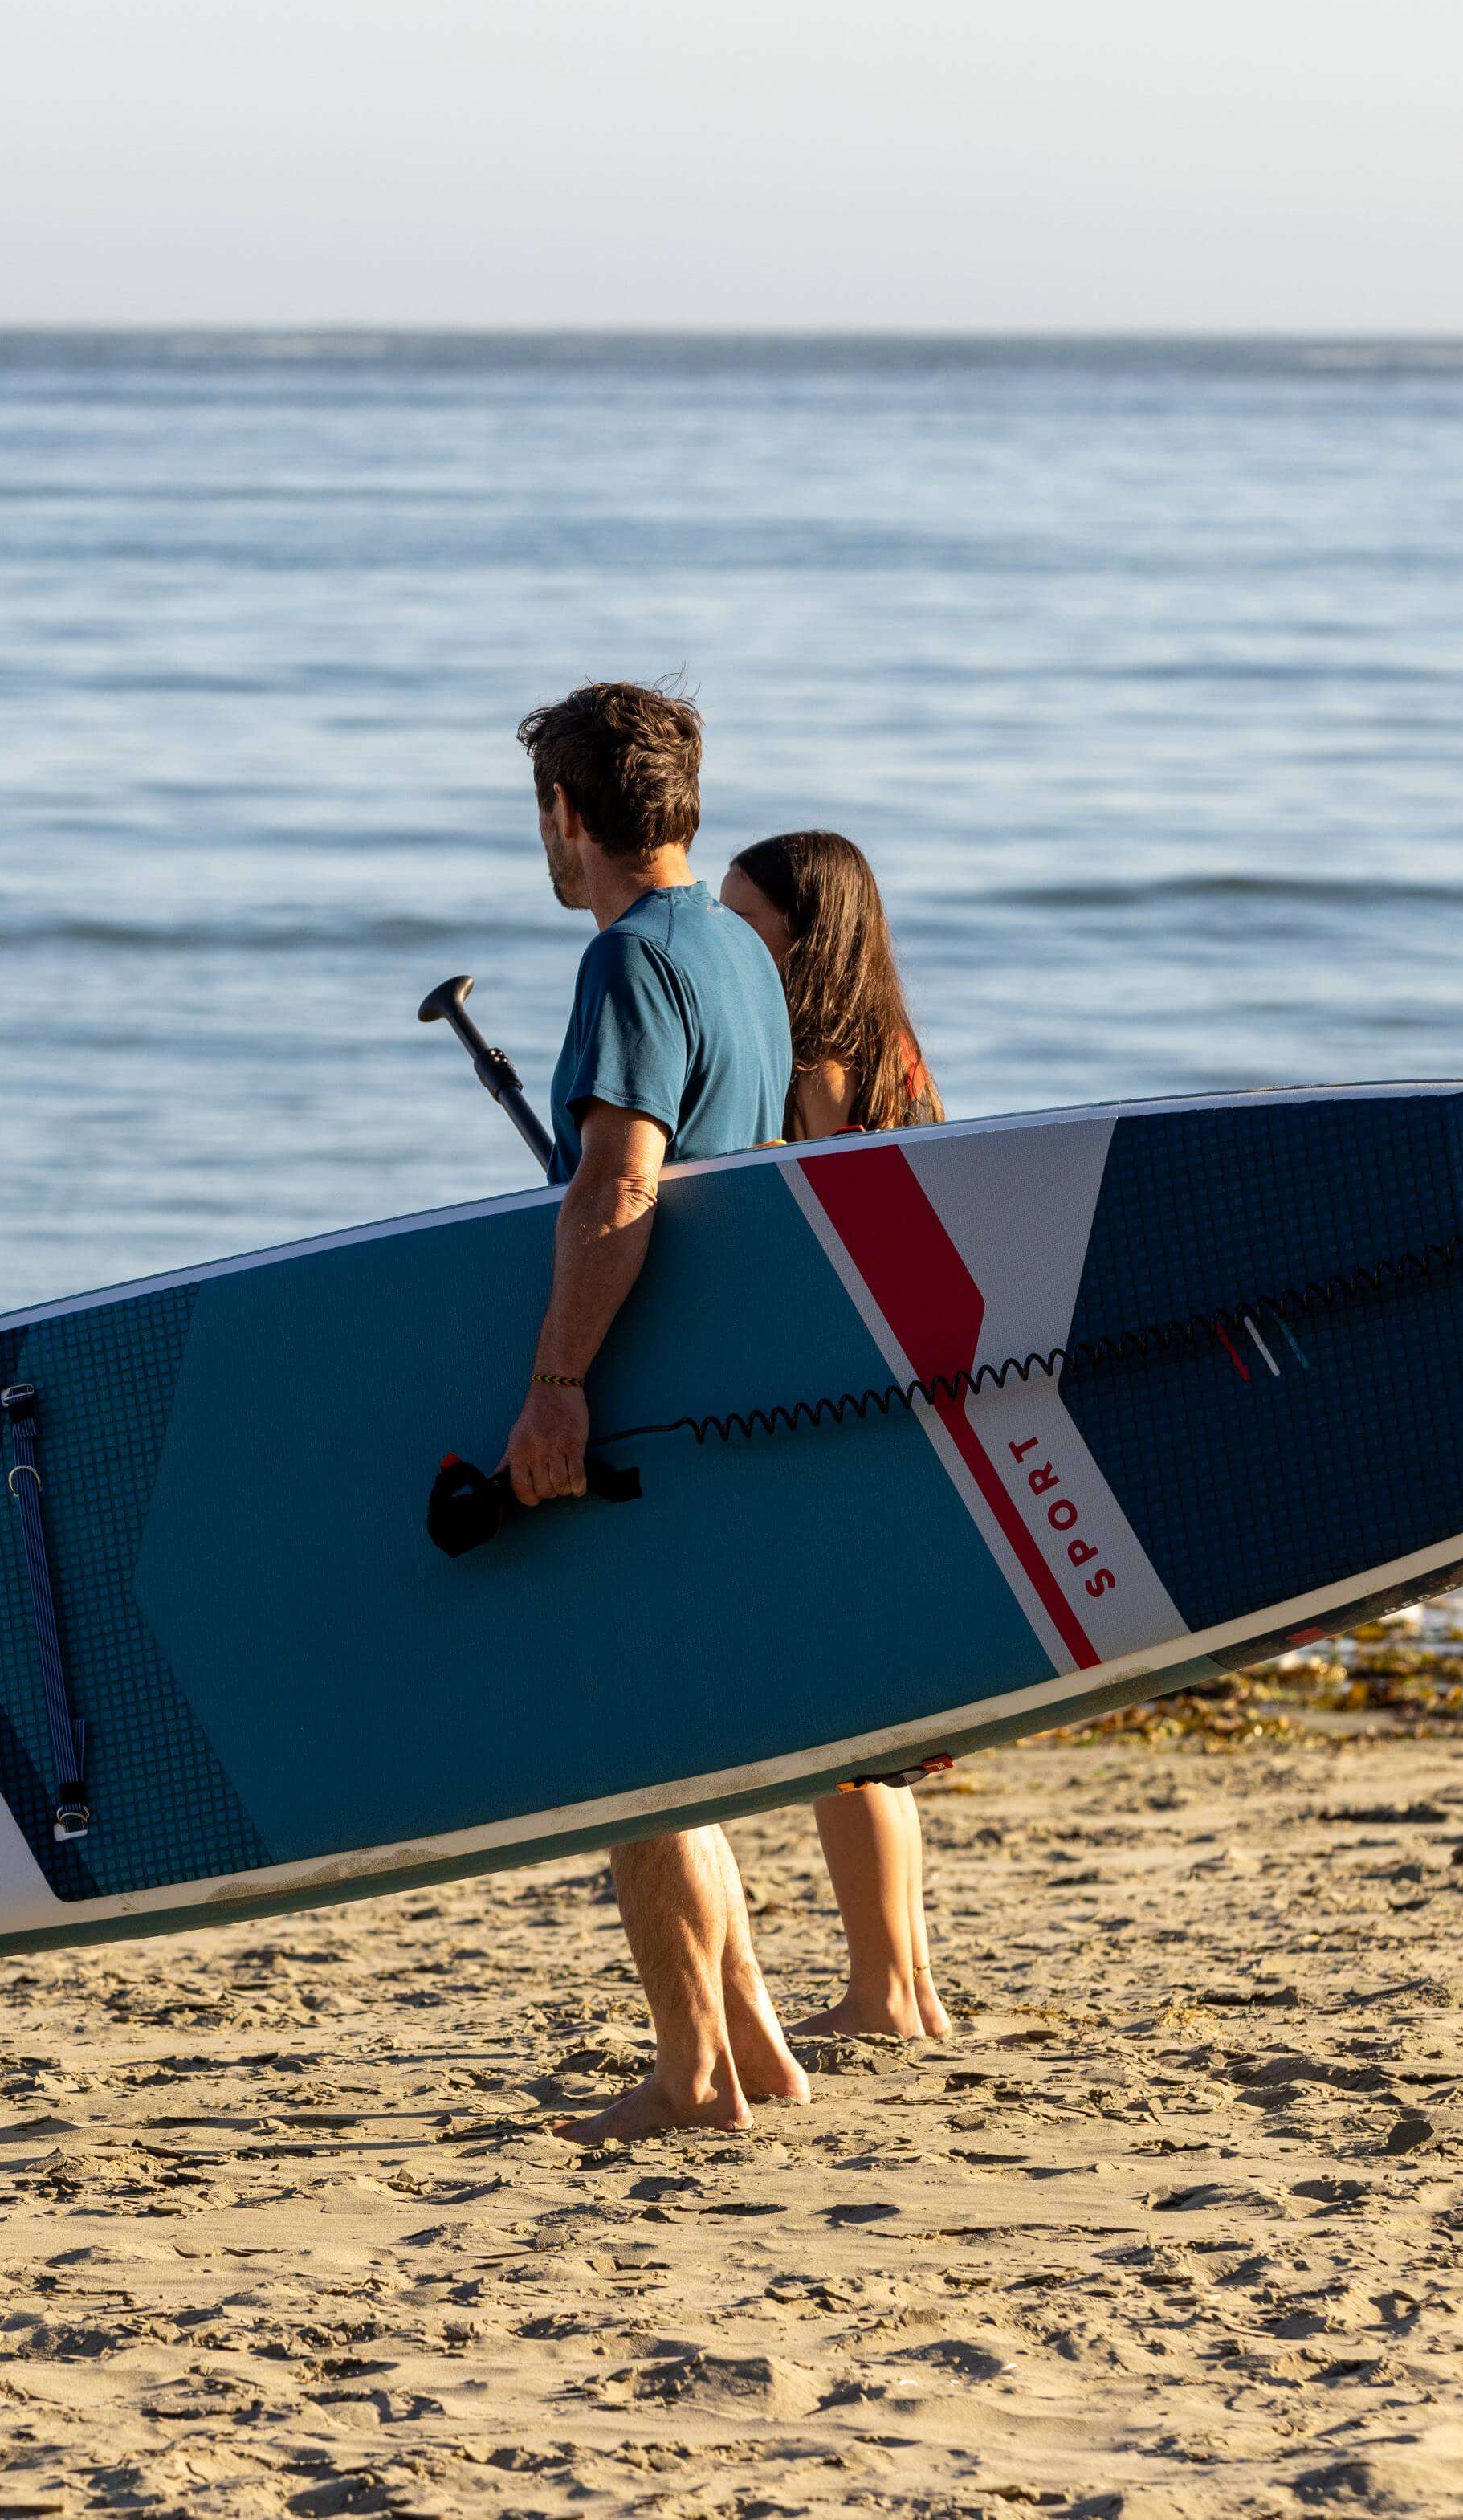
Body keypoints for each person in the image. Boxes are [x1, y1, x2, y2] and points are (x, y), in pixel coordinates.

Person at [495, 680, 807, 2146]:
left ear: (571, 815)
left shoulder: (626, 960)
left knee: (635, 1752)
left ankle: (692, 2080)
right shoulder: (741, 953)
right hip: (726, 1390)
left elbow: (620, 1182)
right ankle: (755, 2048)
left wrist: (557, 1384)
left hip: (648, 1391)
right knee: (676, 1744)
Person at [718, 830, 955, 2041]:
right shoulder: (894, 1052)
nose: (725, 942)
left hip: (843, 1414)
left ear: (804, 935)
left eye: (743, 922)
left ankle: (878, 1992)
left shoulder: (817, 1064)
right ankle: (908, 1985)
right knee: (885, 1729)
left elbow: (803, 1224)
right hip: (908, 1406)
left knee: (848, 1733)